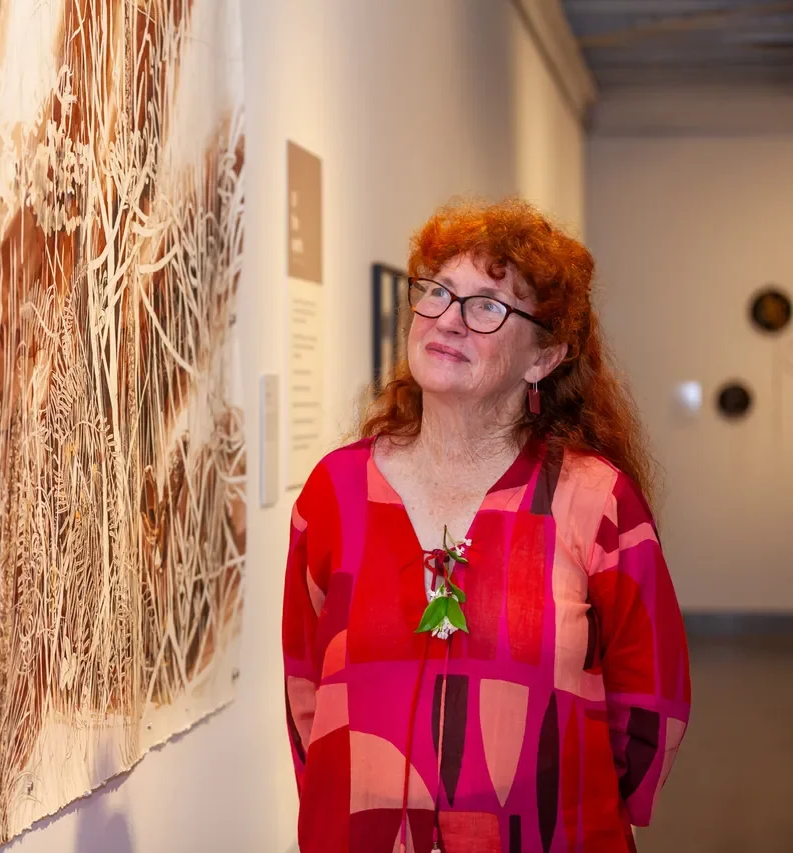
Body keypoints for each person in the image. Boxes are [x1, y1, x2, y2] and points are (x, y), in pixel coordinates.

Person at [282, 197, 690, 852]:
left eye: (488, 306)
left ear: (543, 357)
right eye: (439, 293)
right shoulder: (336, 492)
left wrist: (567, 808)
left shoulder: (595, 501)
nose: (449, 320)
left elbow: (649, 704)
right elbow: (307, 691)